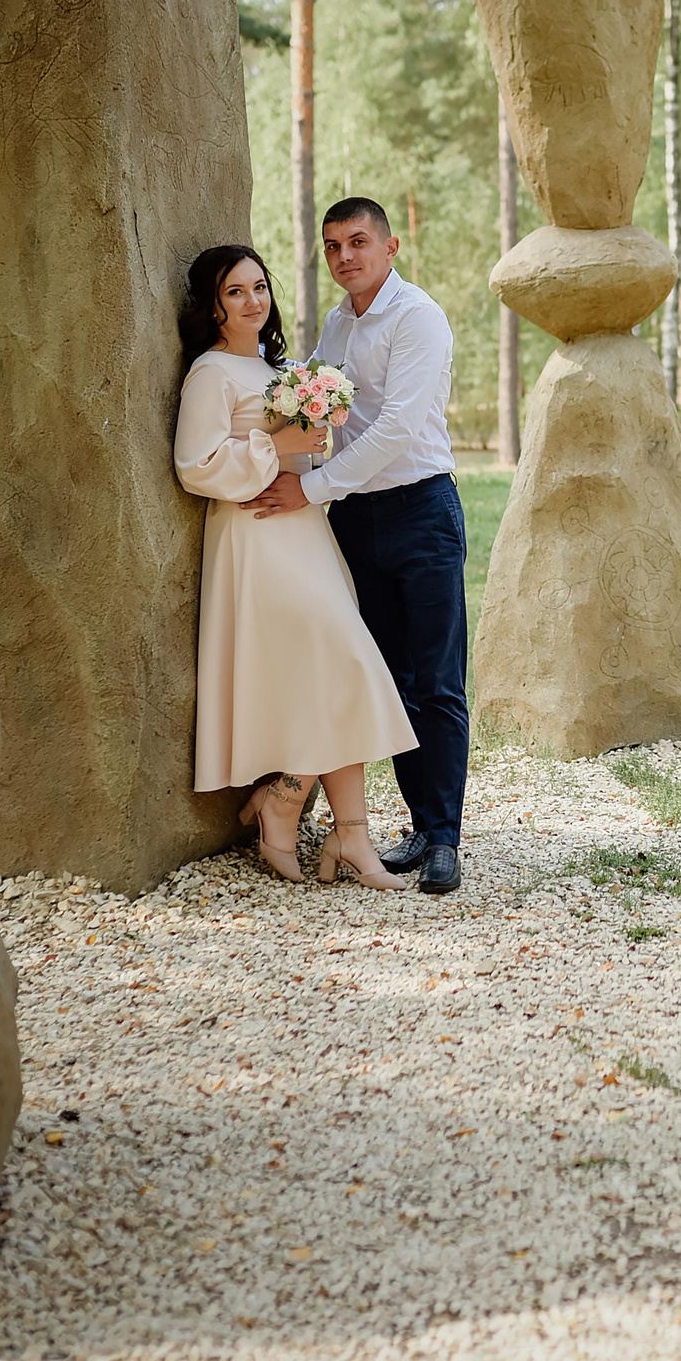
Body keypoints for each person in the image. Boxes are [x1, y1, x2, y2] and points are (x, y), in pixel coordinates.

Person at [173, 243, 417, 889]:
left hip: (303, 528)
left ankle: (348, 834)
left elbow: (297, 458)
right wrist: (273, 445)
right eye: (235, 292)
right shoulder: (212, 373)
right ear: (214, 307)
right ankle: (285, 801)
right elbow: (195, 464)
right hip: (254, 536)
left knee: (340, 666)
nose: (254, 301)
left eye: (260, 286)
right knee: (340, 661)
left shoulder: (277, 368)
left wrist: (309, 443)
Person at [244, 198, 468, 895]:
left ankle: (443, 840)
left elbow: (397, 428)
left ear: (391, 245)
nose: (346, 256)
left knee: (435, 681)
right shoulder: (338, 326)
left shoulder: (418, 318)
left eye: (359, 241)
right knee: (385, 678)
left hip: (422, 509)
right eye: (334, 246)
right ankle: (412, 823)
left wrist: (310, 493)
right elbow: (314, 415)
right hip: (356, 521)